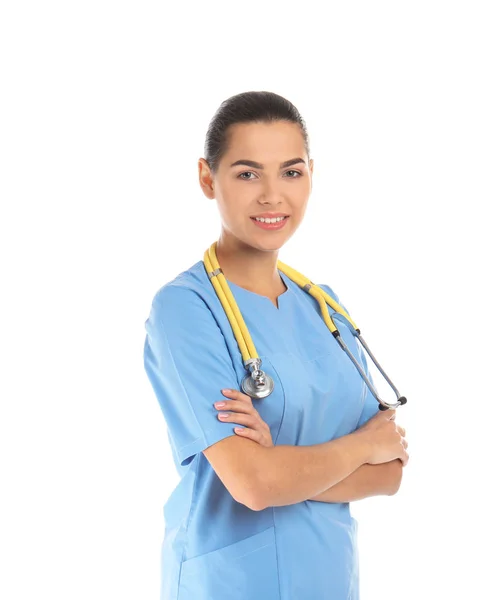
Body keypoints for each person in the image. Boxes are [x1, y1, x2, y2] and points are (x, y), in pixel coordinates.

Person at [143, 90, 409, 600]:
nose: (272, 195)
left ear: (311, 173)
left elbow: (390, 473)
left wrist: (284, 468)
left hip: (330, 579)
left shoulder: (324, 306)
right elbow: (255, 486)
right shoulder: (185, 309)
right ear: (207, 178)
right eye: (247, 173)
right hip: (232, 585)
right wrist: (358, 448)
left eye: (291, 172)